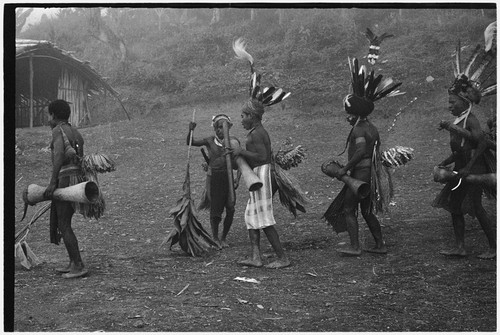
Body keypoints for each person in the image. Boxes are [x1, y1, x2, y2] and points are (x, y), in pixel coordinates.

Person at [323, 57, 402, 256]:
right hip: (370, 174)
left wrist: (344, 168)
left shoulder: (359, 130)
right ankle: (379, 244)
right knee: (366, 211)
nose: (346, 117)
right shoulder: (371, 127)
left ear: (355, 113)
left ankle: (355, 246)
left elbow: (359, 152)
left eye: (348, 114)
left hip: (360, 174)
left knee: (349, 209)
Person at [433, 74, 496, 259]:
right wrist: (446, 161)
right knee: (454, 206)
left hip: (473, 170)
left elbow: (480, 141)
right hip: (460, 170)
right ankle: (460, 247)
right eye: (449, 103)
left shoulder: (471, 120)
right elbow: (460, 149)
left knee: (476, 207)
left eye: (453, 103)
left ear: (464, 101)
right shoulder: (460, 120)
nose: (449, 106)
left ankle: (494, 247)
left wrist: (468, 166)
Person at [231, 100, 291, 269]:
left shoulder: (257, 134)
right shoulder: (255, 132)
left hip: (263, 175)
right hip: (258, 175)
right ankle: (256, 257)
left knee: (264, 219)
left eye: (243, 116)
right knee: (251, 217)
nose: (241, 120)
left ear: (251, 116)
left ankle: (283, 258)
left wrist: (241, 151)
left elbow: (262, 156)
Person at [44, 100, 88, 279]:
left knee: (64, 224)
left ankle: (78, 265)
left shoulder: (57, 130)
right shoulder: (75, 132)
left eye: (48, 115)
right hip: (76, 179)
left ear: (54, 115)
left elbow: (59, 155)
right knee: (65, 221)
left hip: (65, 180)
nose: (48, 119)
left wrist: (53, 182)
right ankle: (72, 262)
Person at [187, 114, 238, 248]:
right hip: (215, 179)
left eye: (222, 127)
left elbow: (240, 162)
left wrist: (237, 179)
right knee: (216, 211)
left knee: (231, 208)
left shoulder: (233, 142)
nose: (219, 130)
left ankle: (223, 237)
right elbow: (190, 142)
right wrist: (191, 130)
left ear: (229, 128)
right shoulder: (210, 141)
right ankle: (215, 237)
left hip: (228, 179)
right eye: (217, 127)